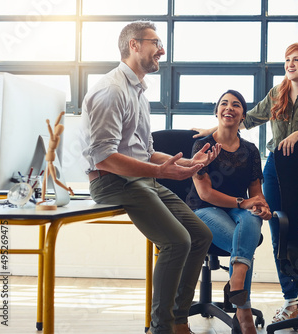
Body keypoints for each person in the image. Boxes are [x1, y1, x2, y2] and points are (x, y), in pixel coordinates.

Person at [79, 21, 221, 334]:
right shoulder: (111, 90)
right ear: (133, 45)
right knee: (176, 242)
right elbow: (104, 157)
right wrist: (158, 171)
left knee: (200, 235)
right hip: (110, 181)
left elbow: (145, 152)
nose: (162, 49)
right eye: (155, 42)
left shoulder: (139, 93)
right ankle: (163, 328)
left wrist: (188, 166)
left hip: (141, 180)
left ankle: (179, 319)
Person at [194, 42, 298, 322]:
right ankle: (290, 298)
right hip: (275, 168)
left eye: (297, 60)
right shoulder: (277, 93)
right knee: (277, 230)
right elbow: (248, 118)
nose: (290, 64)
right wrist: (212, 130)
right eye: (287, 60)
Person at [186, 90, 272, 334]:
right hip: (204, 209)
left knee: (252, 218)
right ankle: (243, 312)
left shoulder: (251, 150)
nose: (229, 108)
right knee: (245, 238)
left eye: (236, 105)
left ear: (243, 115)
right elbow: (204, 193)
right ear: (217, 112)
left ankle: (237, 282)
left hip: (238, 210)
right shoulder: (202, 145)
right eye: (224, 103)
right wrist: (242, 202)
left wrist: (261, 206)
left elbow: (256, 193)